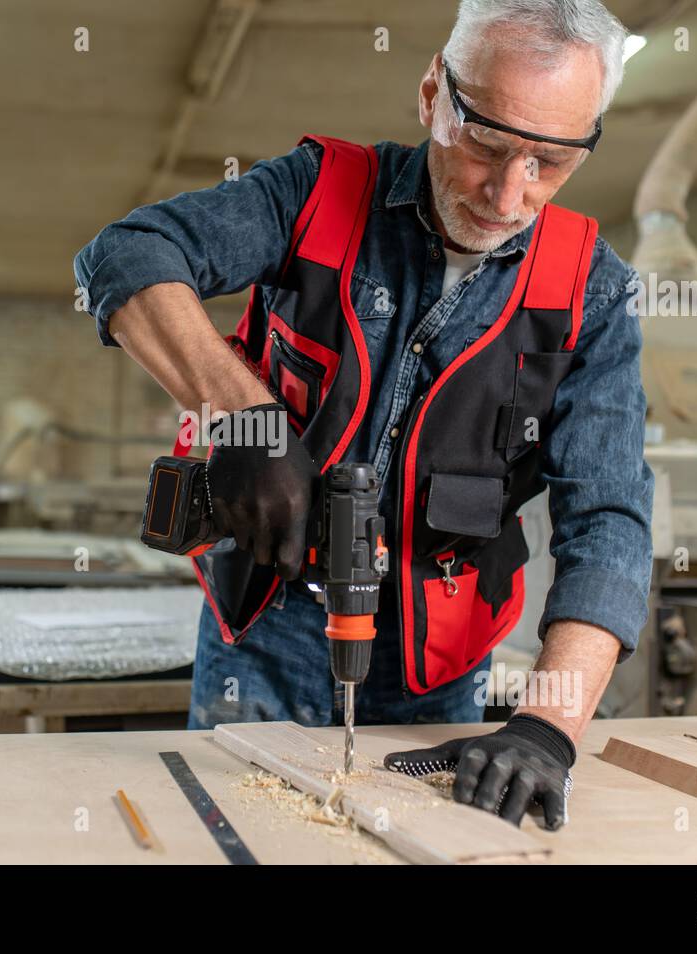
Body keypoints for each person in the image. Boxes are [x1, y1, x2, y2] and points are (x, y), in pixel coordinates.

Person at [74, 0, 653, 829]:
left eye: (550, 164)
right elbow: (123, 257)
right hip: (263, 638)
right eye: (486, 143)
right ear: (432, 96)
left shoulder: (589, 291)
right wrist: (244, 417)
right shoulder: (317, 195)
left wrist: (548, 726)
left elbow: (610, 519)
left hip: (438, 669)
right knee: (232, 839)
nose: (507, 193)